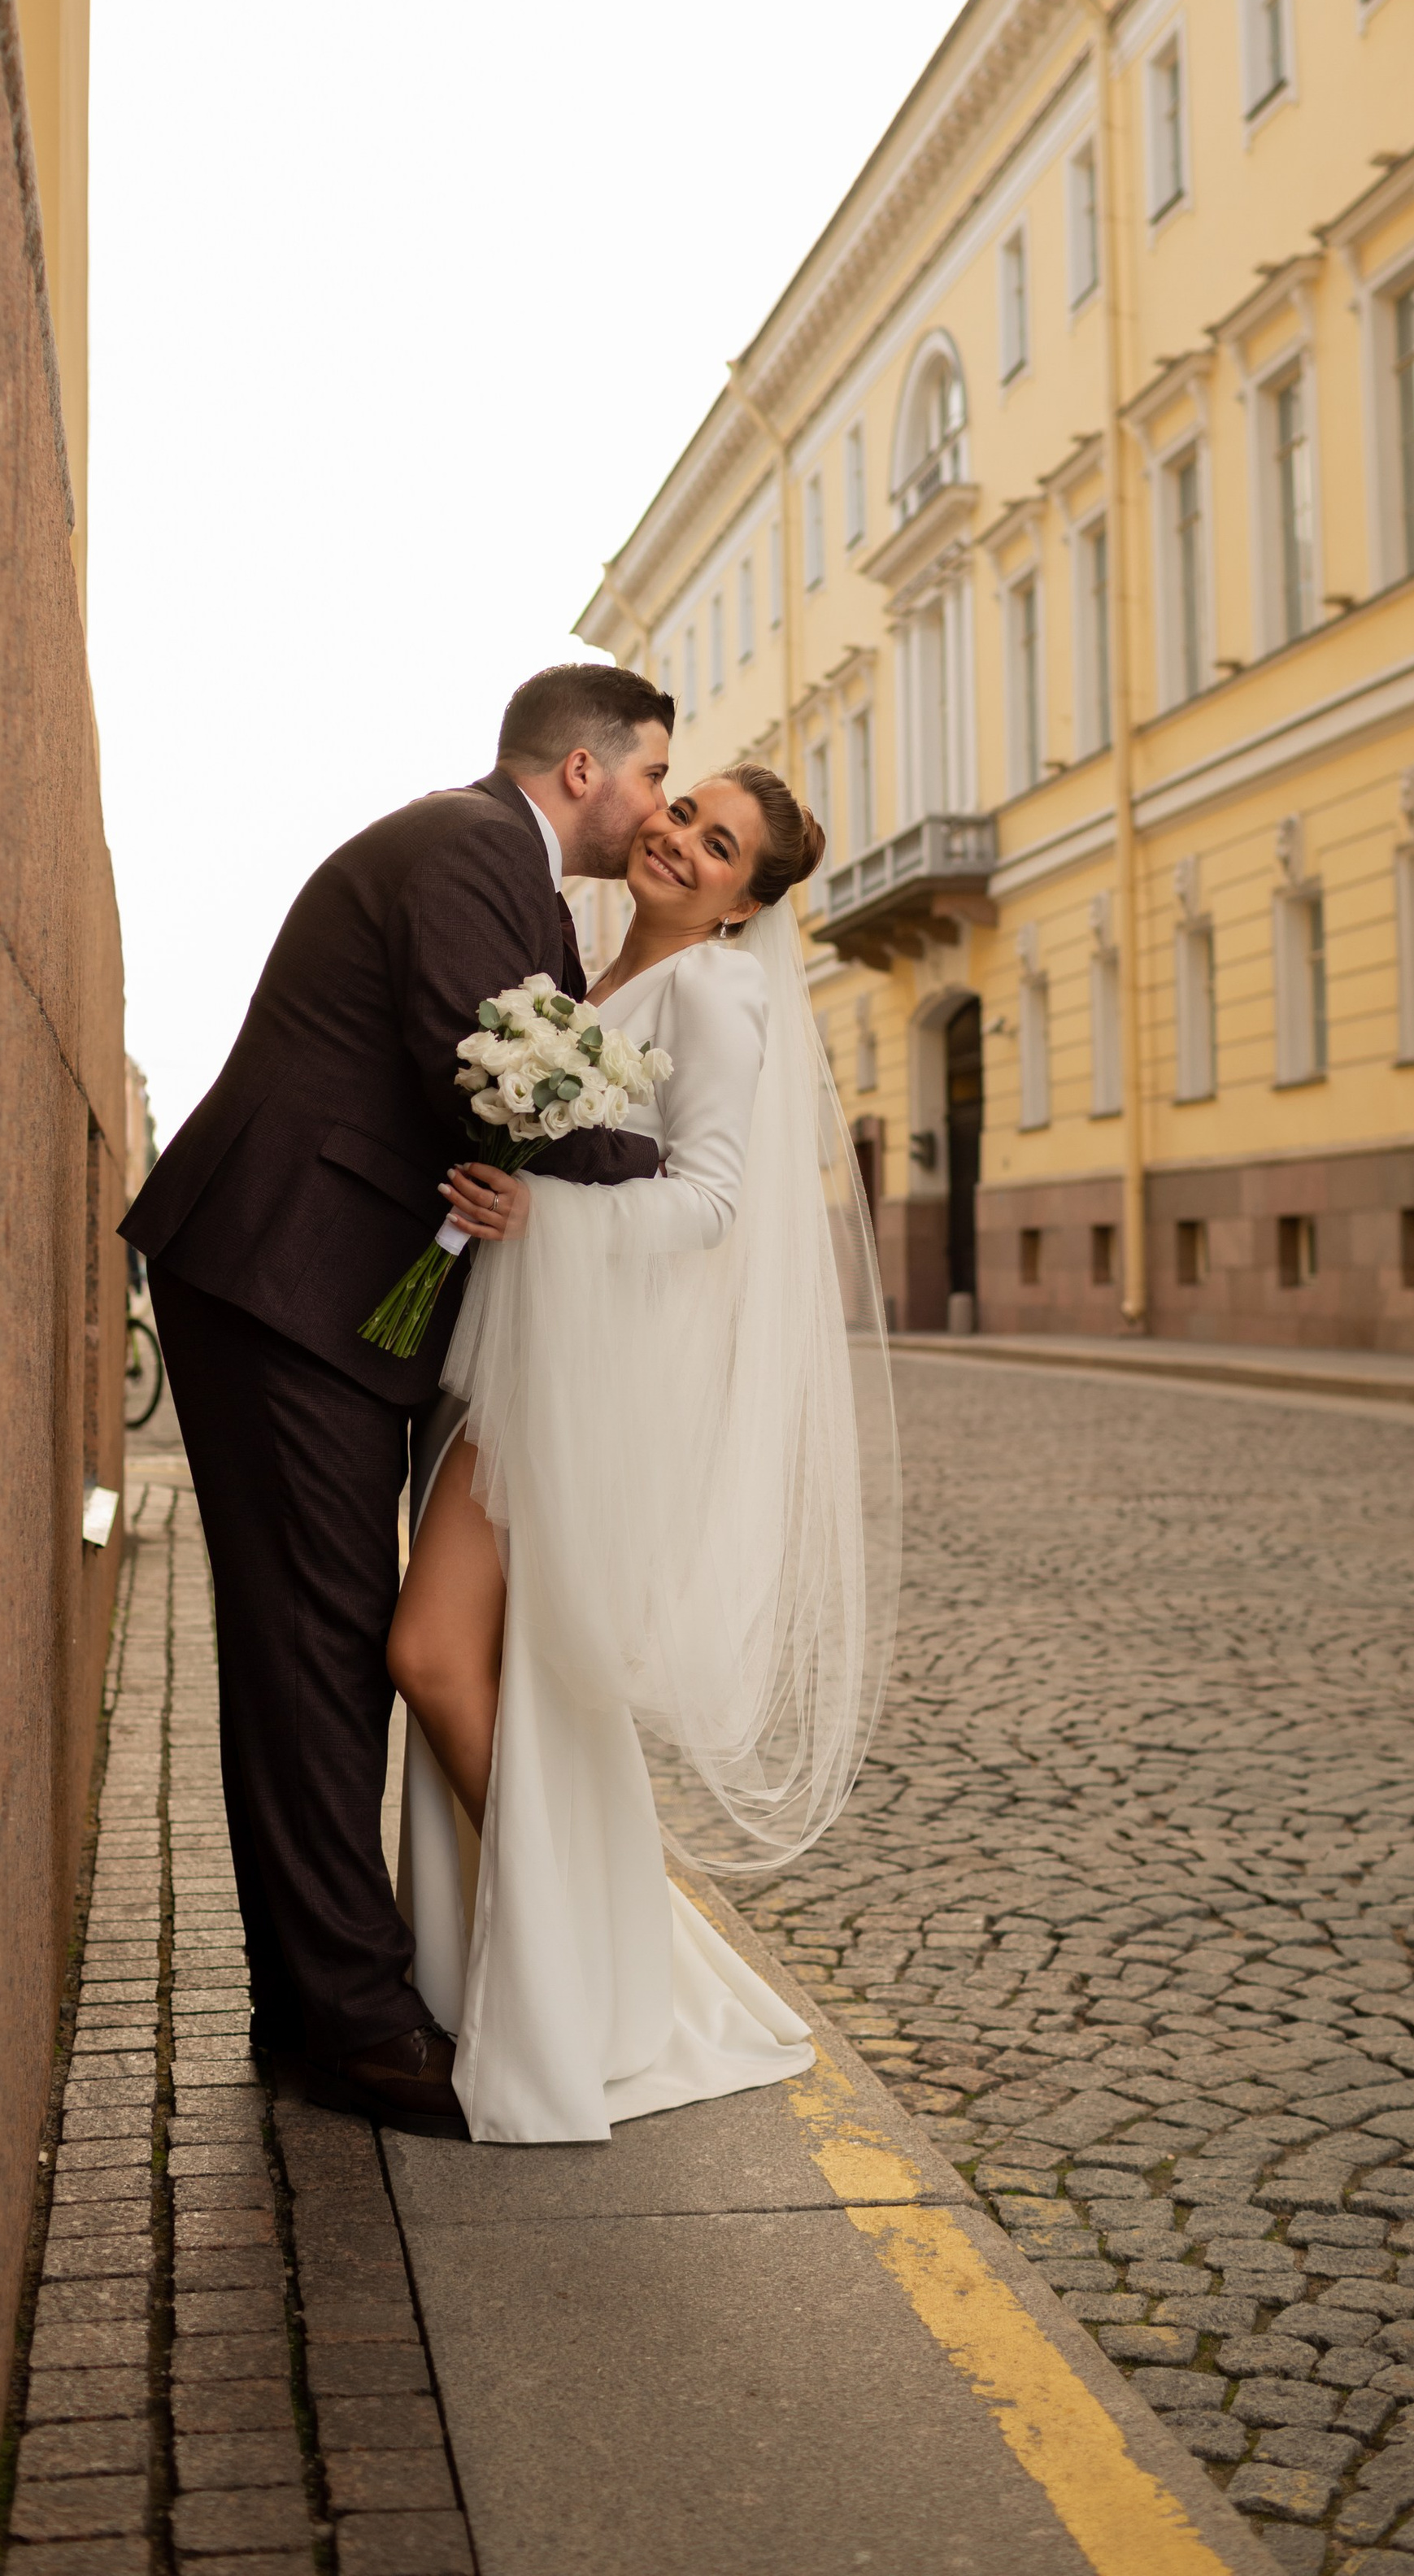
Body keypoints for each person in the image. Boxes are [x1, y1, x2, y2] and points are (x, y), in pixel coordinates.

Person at [119, 665, 674, 2133]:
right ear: (579, 767)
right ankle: (353, 2027)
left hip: (323, 1292)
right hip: (287, 1276)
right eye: (653, 780)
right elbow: (485, 1078)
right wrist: (666, 1187)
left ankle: (313, 2001)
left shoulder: (507, 869)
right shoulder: (470, 849)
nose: (661, 811)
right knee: (315, 1651)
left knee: (319, 1646)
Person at [388, 764, 899, 2144]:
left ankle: (586, 1958)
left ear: (743, 904)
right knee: (516, 1686)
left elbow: (716, 1202)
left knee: (433, 1658)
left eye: (716, 844)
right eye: (686, 812)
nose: (677, 836)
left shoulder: (720, 997)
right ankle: (572, 1964)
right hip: (520, 1352)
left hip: (575, 1375)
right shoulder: (586, 978)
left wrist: (539, 1220)